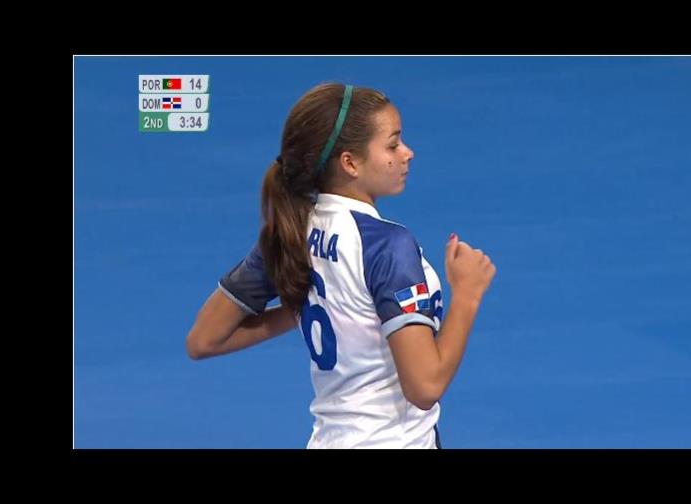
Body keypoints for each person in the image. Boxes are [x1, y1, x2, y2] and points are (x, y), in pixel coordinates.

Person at [185, 82, 496, 448]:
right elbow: (425, 386)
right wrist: (468, 295)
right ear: (350, 162)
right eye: (393, 144)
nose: (408, 153)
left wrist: (300, 306)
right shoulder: (387, 246)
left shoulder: (291, 232)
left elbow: (203, 340)